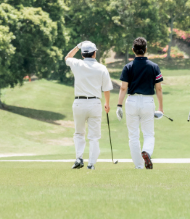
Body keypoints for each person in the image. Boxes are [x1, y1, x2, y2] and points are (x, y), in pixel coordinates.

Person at [116, 37, 164, 170]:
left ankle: (139, 166)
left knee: (133, 136)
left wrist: (119, 106)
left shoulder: (128, 67)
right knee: (148, 133)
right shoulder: (154, 66)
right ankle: (147, 151)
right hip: (148, 101)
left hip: (132, 101)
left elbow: (123, 88)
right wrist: (160, 108)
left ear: (133, 50)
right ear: (146, 49)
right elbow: (159, 88)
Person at [65, 41, 113, 170]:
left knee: (79, 133)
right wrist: (107, 103)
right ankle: (91, 164)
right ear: (95, 53)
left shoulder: (77, 64)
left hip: (79, 103)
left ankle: (79, 158)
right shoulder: (102, 68)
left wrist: (77, 46)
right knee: (94, 137)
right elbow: (106, 89)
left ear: (82, 54)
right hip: (95, 103)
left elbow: (67, 58)